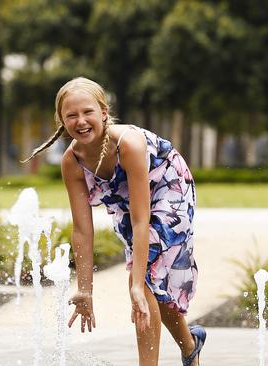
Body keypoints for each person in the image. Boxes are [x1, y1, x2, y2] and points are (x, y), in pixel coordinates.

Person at [24, 77, 205, 366]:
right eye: (71, 115)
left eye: (88, 112)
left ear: (104, 112)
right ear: (61, 119)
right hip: (126, 200)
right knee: (153, 285)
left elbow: (141, 219)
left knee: (144, 279)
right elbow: (82, 230)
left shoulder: (128, 145)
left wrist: (135, 282)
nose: (80, 121)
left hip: (168, 187)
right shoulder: (72, 161)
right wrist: (85, 290)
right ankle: (190, 346)